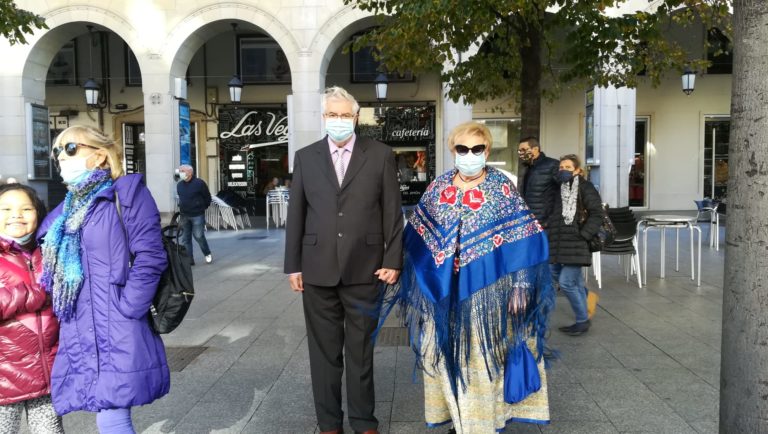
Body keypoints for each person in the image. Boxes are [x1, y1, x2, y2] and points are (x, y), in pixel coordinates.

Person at [384, 121, 554, 432]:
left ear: (487, 151)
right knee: (443, 356)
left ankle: (481, 424)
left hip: (489, 292)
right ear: (453, 151)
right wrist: (415, 281)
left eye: (477, 149)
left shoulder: (501, 188)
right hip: (444, 293)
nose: (470, 154)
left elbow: (526, 239)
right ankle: (456, 419)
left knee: (481, 361)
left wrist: (522, 285)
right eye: (463, 149)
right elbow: (418, 235)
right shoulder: (439, 187)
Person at [284, 86, 403, 434]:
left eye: (345, 114)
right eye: (332, 115)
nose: (338, 120)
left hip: (367, 268)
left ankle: (365, 422)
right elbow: (297, 214)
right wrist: (293, 265)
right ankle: (329, 424)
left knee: (360, 352)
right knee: (324, 355)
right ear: (324, 118)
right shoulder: (306, 157)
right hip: (317, 268)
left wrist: (393, 261)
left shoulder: (380, 154)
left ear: (356, 116)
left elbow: (392, 213)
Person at [39, 125, 170, 433]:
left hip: (117, 318)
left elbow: (151, 255)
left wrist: (129, 307)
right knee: (104, 406)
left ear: (99, 156)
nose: (62, 157)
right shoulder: (68, 207)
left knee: (112, 410)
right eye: (57, 151)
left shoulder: (126, 194)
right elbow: (39, 238)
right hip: (80, 322)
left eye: (71, 149)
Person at [0, 184, 63, 434]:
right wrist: (33, 293)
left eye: (26, 208)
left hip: (45, 375)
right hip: (4, 378)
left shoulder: (47, 251)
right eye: (6, 209)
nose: (17, 215)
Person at [547, 154, 604, 336]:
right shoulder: (558, 188)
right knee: (562, 276)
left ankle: (582, 320)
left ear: (578, 170)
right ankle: (588, 299)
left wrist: (584, 235)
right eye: (561, 167)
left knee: (566, 282)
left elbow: (597, 213)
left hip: (576, 243)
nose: (563, 170)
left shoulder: (585, 188)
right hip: (557, 242)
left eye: (568, 168)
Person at [517, 137, 559, 227]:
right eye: (520, 150)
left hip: (546, 223)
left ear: (535, 149)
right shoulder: (527, 167)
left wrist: (550, 220)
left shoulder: (553, 165)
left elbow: (562, 193)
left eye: (524, 150)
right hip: (529, 221)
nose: (521, 153)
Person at [177, 164, 213, 265]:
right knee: (185, 239)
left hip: (197, 214)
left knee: (198, 236)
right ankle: (189, 259)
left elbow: (207, 197)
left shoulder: (199, 183)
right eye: (179, 171)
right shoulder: (179, 185)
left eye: (182, 171)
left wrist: (202, 207)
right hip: (184, 215)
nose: (180, 173)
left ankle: (207, 253)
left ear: (190, 172)